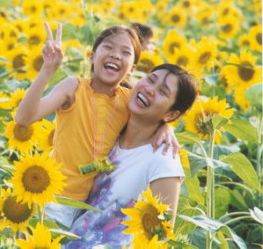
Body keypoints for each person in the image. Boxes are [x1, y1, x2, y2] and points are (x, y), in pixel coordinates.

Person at [15, 23, 180, 228]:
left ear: (132, 70)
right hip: (53, 198)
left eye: (125, 52)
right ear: (92, 57)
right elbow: (24, 118)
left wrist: (166, 127)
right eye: (108, 47)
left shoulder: (130, 101)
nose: (115, 55)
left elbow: (152, 117)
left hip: (89, 209)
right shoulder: (73, 87)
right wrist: (48, 69)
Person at [67, 63, 198, 248]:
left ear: (171, 114)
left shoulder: (163, 162)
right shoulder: (108, 133)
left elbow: (160, 238)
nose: (150, 89)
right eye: (151, 79)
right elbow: (78, 172)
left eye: (163, 91)